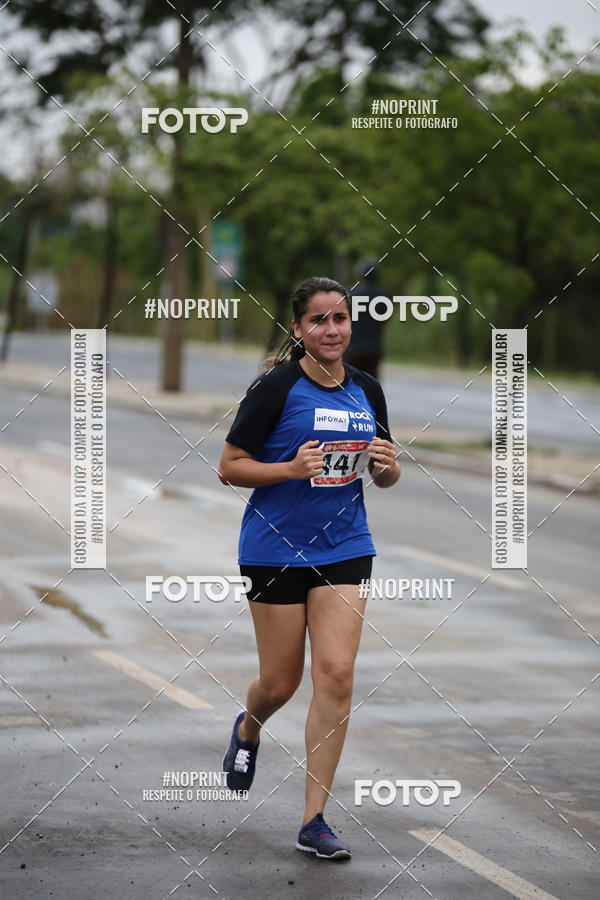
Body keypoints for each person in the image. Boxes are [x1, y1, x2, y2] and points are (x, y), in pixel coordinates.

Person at [218, 275, 400, 860]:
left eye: (340, 319)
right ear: (297, 329)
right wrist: (290, 470)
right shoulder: (275, 387)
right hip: (273, 547)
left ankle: (314, 819)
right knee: (280, 682)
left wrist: (388, 466)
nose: (332, 329)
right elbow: (230, 466)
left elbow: (384, 473)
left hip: (345, 546)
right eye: (318, 320)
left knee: (337, 674)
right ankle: (249, 726)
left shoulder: (368, 389)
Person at [344, 260, 387, 379]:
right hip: (373, 349)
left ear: (359, 275)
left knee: (348, 386)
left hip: (350, 349)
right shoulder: (384, 296)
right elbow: (385, 321)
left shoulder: (348, 293)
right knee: (371, 386)